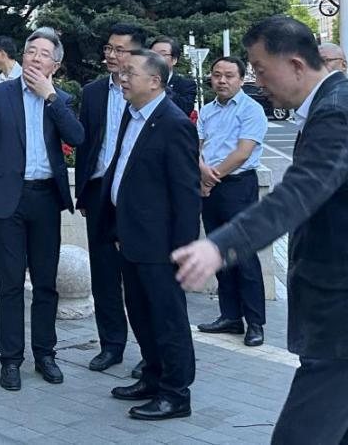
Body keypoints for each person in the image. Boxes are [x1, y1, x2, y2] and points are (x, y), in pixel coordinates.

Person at [172, 16, 348, 445]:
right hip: (346, 311)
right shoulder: (334, 104)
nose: (257, 81)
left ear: (294, 64)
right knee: (347, 437)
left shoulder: (339, 111)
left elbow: (297, 195)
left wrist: (220, 247)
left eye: (260, 68)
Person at [0, 27, 85, 391]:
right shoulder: (0, 94)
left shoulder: (61, 98)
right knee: (9, 284)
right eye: (31, 51)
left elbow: (77, 137)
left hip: (45, 200)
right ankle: (10, 359)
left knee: (45, 283)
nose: (35, 58)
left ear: (54, 66)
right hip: (6, 200)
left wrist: (50, 97)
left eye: (44, 54)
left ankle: (45, 354)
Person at [98, 49, 200, 421]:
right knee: (141, 314)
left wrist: (183, 250)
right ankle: (153, 376)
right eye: (122, 72)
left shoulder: (174, 123)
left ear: (155, 81)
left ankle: (176, 393)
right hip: (130, 236)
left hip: (161, 244)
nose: (122, 78)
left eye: (130, 73)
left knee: (168, 319)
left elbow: (186, 194)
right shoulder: (133, 113)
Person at [74, 22, 146, 372]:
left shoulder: (149, 90)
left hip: (137, 196)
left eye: (120, 49)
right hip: (100, 192)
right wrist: (83, 193)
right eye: (108, 48)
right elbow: (86, 144)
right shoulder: (93, 92)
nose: (112, 55)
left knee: (140, 277)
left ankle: (150, 351)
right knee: (104, 275)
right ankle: (111, 345)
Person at [195, 56, 268, 347]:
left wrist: (210, 179)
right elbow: (197, 147)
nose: (222, 80)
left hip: (238, 186)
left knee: (244, 255)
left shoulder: (251, 110)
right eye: (217, 75)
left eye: (228, 75)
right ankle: (230, 316)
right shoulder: (207, 111)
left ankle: (255, 322)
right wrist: (203, 173)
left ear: (240, 79)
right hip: (210, 187)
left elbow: (243, 152)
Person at [150, 36, 198, 116]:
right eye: (152, 54)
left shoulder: (186, 84)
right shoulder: (140, 81)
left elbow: (185, 109)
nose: (156, 58)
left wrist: (161, 85)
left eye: (162, 54)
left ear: (174, 60)